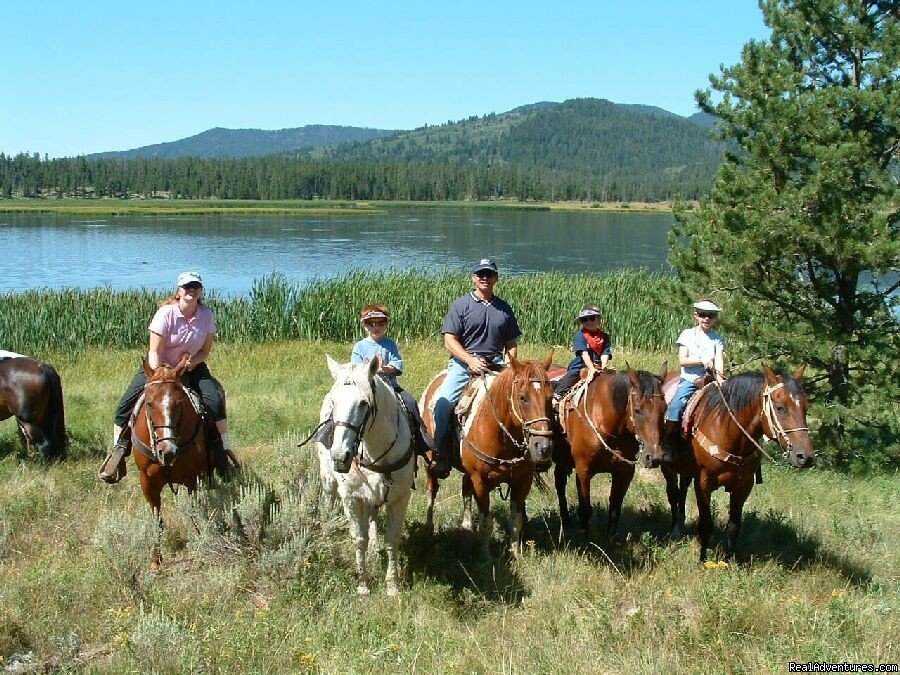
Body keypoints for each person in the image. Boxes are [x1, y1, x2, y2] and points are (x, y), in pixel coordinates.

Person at [98, 271, 229, 483]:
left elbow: (205, 351)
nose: (191, 290)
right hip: (158, 368)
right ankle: (118, 452)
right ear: (179, 291)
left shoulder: (206, 315)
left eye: (196, 286)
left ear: (201, 291)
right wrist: (162, 374)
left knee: (214, 401)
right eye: (187, 287)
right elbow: (154, 351)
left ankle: (222, 452)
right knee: (125, 406)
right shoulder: (165, 314)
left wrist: (191, 363)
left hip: (190, 368)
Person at [430, 257, 521, 478]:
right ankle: (439, 453)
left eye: (489, 274)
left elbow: (511, 344)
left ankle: (527, 453)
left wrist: (510, 366)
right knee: (443, 405)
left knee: (523, 402)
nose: (484, 278)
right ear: (473, 277)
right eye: (480, 274)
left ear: (496, 278)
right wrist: (470, 360)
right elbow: (449, 340)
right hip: (463, 365)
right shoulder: (461, 305)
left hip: (496, 364)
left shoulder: (504, 308)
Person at [350, 304, 434, 455]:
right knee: (348, 407)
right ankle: (338, 437)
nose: (376, 327)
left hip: (391, 387)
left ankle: (419, 440)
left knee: (410, 402)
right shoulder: (359, 347)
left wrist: (385, 369)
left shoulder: (390, 344)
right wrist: (370, 369)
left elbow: (397, 366)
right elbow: (355, 369)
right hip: (366, 389)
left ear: (386, 325)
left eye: (381, 323)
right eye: (371, 323)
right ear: (364, 326)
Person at [662, 299, 726, 462]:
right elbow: (683, 360)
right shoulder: (687, 335)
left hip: (710, 380)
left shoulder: (716, 339)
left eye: (711, 316)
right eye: (703, 315)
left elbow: (719, 360)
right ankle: (668, 444)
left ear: (715, 318)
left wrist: (720, 379)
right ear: (696, 316)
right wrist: (701, 360)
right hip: (690, 380)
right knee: (676, 406)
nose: (707, 319)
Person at [554, 304, 612, 398]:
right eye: (584, 320)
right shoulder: (580, 336)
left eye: (592, 318)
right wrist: (592, 369)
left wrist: (603, 366)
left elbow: (605, 353)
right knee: (568, 381)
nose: (589, 322)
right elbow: (584, 354)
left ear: (598, 319)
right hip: (581, 366)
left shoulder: (605, 337)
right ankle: (556, 397)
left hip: (599, 365)